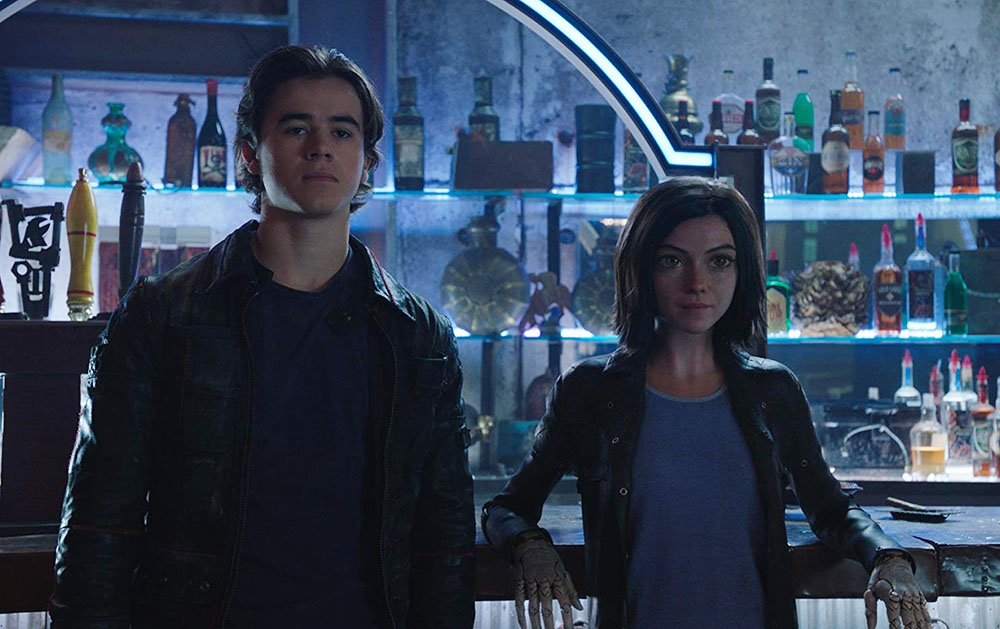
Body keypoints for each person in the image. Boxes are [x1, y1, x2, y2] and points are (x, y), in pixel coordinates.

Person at [50, 45, 475, 628]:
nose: (320, 147)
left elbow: (444, 535)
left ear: (367, 163)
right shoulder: (164, 314)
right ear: (251, 153)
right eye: (297, 128)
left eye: (342, 132)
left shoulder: (418, 335)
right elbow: (100, 522)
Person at [482, 177, 931, 629]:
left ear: (741, 271)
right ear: (641, 268)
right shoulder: (591, 391)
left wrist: (889, 558)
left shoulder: (772, 391)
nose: (697, 283)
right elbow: (506, 508)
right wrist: (531, 548)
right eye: (672, 260)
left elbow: (831, 510)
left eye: (719, 261)